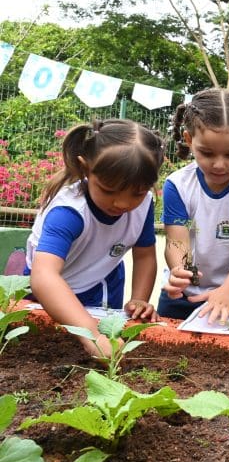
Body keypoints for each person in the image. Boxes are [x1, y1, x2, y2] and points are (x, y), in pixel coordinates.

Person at [26, 119, 163, 357]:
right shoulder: (69, 212)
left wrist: (139, 299)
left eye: (137, 193)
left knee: (107, 346)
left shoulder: (144, 205)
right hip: (49, 290)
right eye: (108, 190)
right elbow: (44, 276)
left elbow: (144, 255)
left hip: (101, 283)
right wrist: (93, 335)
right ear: (85, 168)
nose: (122, 203)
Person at [158, 88, 229, 324]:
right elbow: (176, 241)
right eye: (207, 153)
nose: (219, 165)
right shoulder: (177, 184)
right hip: (179, 296)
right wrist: (179, 270)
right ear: (189, 140)